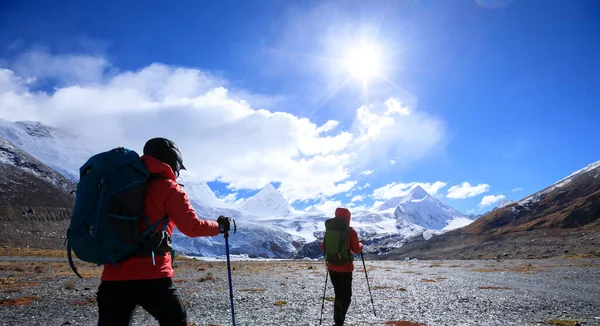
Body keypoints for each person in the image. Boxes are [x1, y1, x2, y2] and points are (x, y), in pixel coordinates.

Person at [96, 137, 232, 326]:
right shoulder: (169, 188)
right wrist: (220, 227)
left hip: (113, 275)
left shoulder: (115, 184)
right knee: (176, 320)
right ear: (173, 162)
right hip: (153, 275)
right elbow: (191, 227)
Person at [320, 207, 363, 326]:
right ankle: (339, 321)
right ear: (348, 217)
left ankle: (338, 320)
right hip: (345, 268)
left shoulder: (329, 231)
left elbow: (323, 247)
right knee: (346, 296)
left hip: (332, 267)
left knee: (338, 294)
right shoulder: (351, 231)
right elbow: (356, 249)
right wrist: (361, 245)